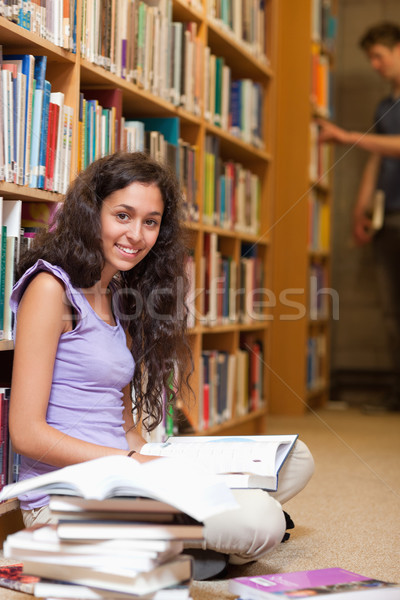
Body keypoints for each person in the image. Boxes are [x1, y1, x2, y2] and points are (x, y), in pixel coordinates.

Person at [9, 151, 314, 578]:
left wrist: (155, 459)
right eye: (123, 215)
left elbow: (125, 421)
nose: (136, 234)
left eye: (150, 222)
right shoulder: (50, 288)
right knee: (259, 518)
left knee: (295, 459)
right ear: (89, 212)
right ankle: (195, 546)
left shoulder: (116, 293)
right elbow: (26, 434)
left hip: (126, 470)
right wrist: (131, 463)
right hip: (71, 495)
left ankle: (175, 549)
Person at [318, 22, 400, 412]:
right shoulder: (385, 106)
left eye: (379, 55)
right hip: (390, 217)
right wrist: (360, 208)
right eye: (370, 57)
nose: (374, 64)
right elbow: (377, 157)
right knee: (392, 310)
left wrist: (347, 136)